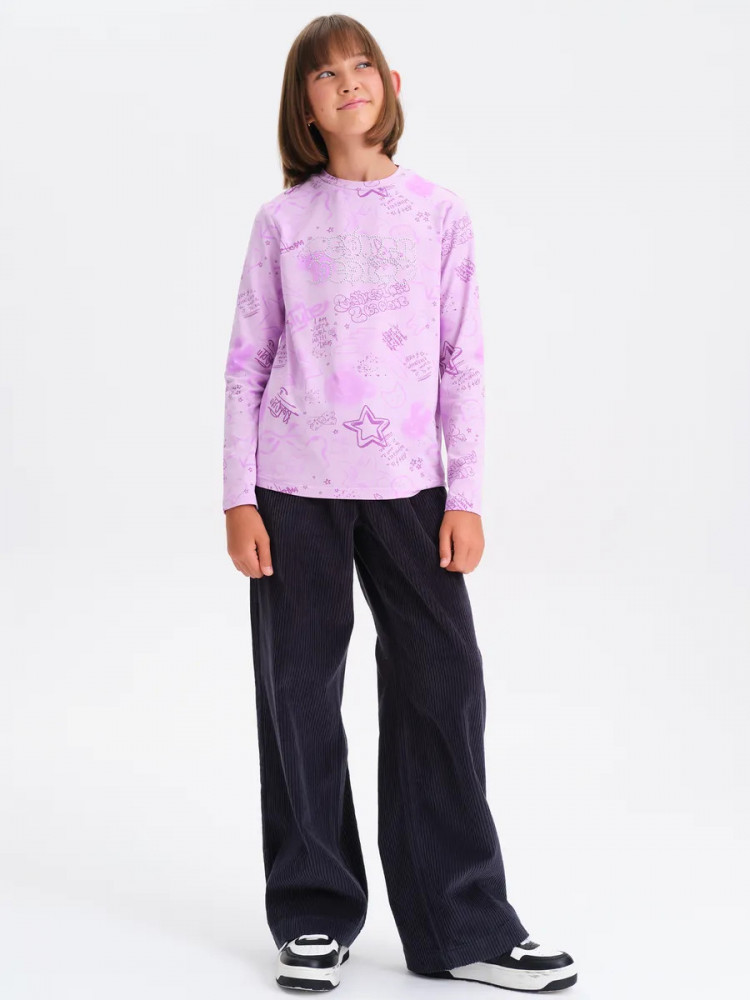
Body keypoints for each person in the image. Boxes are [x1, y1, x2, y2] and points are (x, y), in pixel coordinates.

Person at [222, 13, 577, 994]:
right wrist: (238, 496)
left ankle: (460, 925)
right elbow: (247, 359)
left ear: (391, 82)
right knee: (299, 696)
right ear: (304, 106)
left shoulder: (438, 213)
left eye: (361, 66)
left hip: (412, 489)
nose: (347, 82)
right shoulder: (283, 222)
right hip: (291, 489)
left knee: (443, 685)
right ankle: (314, 912)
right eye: (325, 74)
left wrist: (467, 494)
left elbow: (464, 362)